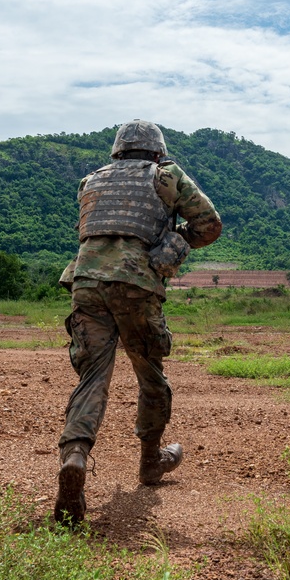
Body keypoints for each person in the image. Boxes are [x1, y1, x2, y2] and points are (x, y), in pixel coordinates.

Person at [54, 120, 222, 526]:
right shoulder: (166, 175)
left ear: (117, 151)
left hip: (86, 282)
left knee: (92, 378)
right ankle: (151, 462)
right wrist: (175, 241)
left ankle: (74, 456)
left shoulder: (90, 181)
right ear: (156, 151)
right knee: (150, 377)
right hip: (136, 284)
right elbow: (209, 225)